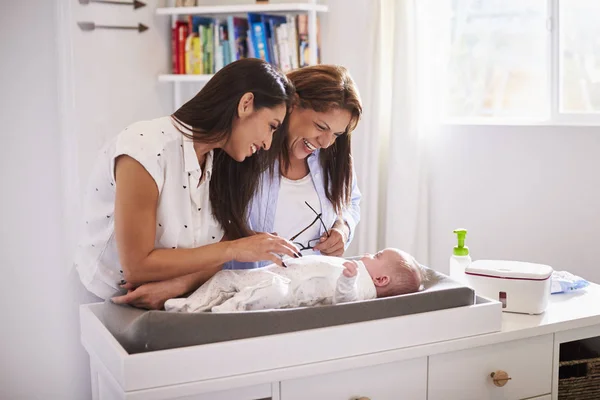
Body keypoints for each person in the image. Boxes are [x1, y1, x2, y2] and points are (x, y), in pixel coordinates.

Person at [73, 58, 302, 309]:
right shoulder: (145, 148)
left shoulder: (222, 164)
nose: (268, 143)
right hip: (97, 304)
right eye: (271, 127)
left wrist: (179, 284)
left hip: (163, 306)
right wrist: (234, 249)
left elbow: (211, 255)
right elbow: (137, 266)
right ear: (246, 104)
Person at [226, 64, 363, 270]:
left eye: (336, 134)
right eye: (320, 127)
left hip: (312, 292)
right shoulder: (246, 150)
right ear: (293, 104)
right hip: (249, 293)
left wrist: (343, 228)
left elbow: (351, 201)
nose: (325, 142)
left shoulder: (334, 160)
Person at [164, 248, 423, 313]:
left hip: (287, 290)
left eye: (377, 255)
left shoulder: (361, 285)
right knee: (225, 277)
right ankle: (189, 306)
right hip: (275, 272)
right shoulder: (358, 268)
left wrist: (347, 280)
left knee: (263, 291)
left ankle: (225, 311)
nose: (369, 254)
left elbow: (347, 302)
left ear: (381, 278)